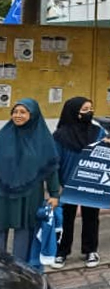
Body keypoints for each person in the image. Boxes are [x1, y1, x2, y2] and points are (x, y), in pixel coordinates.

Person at [53, 97, 110, 269]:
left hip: (91, 182)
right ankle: (61, 252)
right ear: (74, 112)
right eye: (85, 109)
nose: (89, 112)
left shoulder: (97, 131)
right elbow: (54, 161)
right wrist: (56, 186)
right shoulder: (60, 135)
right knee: (65, 219)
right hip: (68, 184)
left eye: (90, 109)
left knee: (91, 217)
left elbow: (108, 150)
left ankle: (90, 250)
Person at [0, 99, 60, 261]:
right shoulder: (3, 136)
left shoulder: (43, 140)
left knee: (25, 231)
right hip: (3, 192)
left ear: (33, 115)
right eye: (15, 112)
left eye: (23, 112)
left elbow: (51, 168)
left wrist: (54, 194)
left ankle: (20, 270)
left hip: (30, 193)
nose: (17, 115)